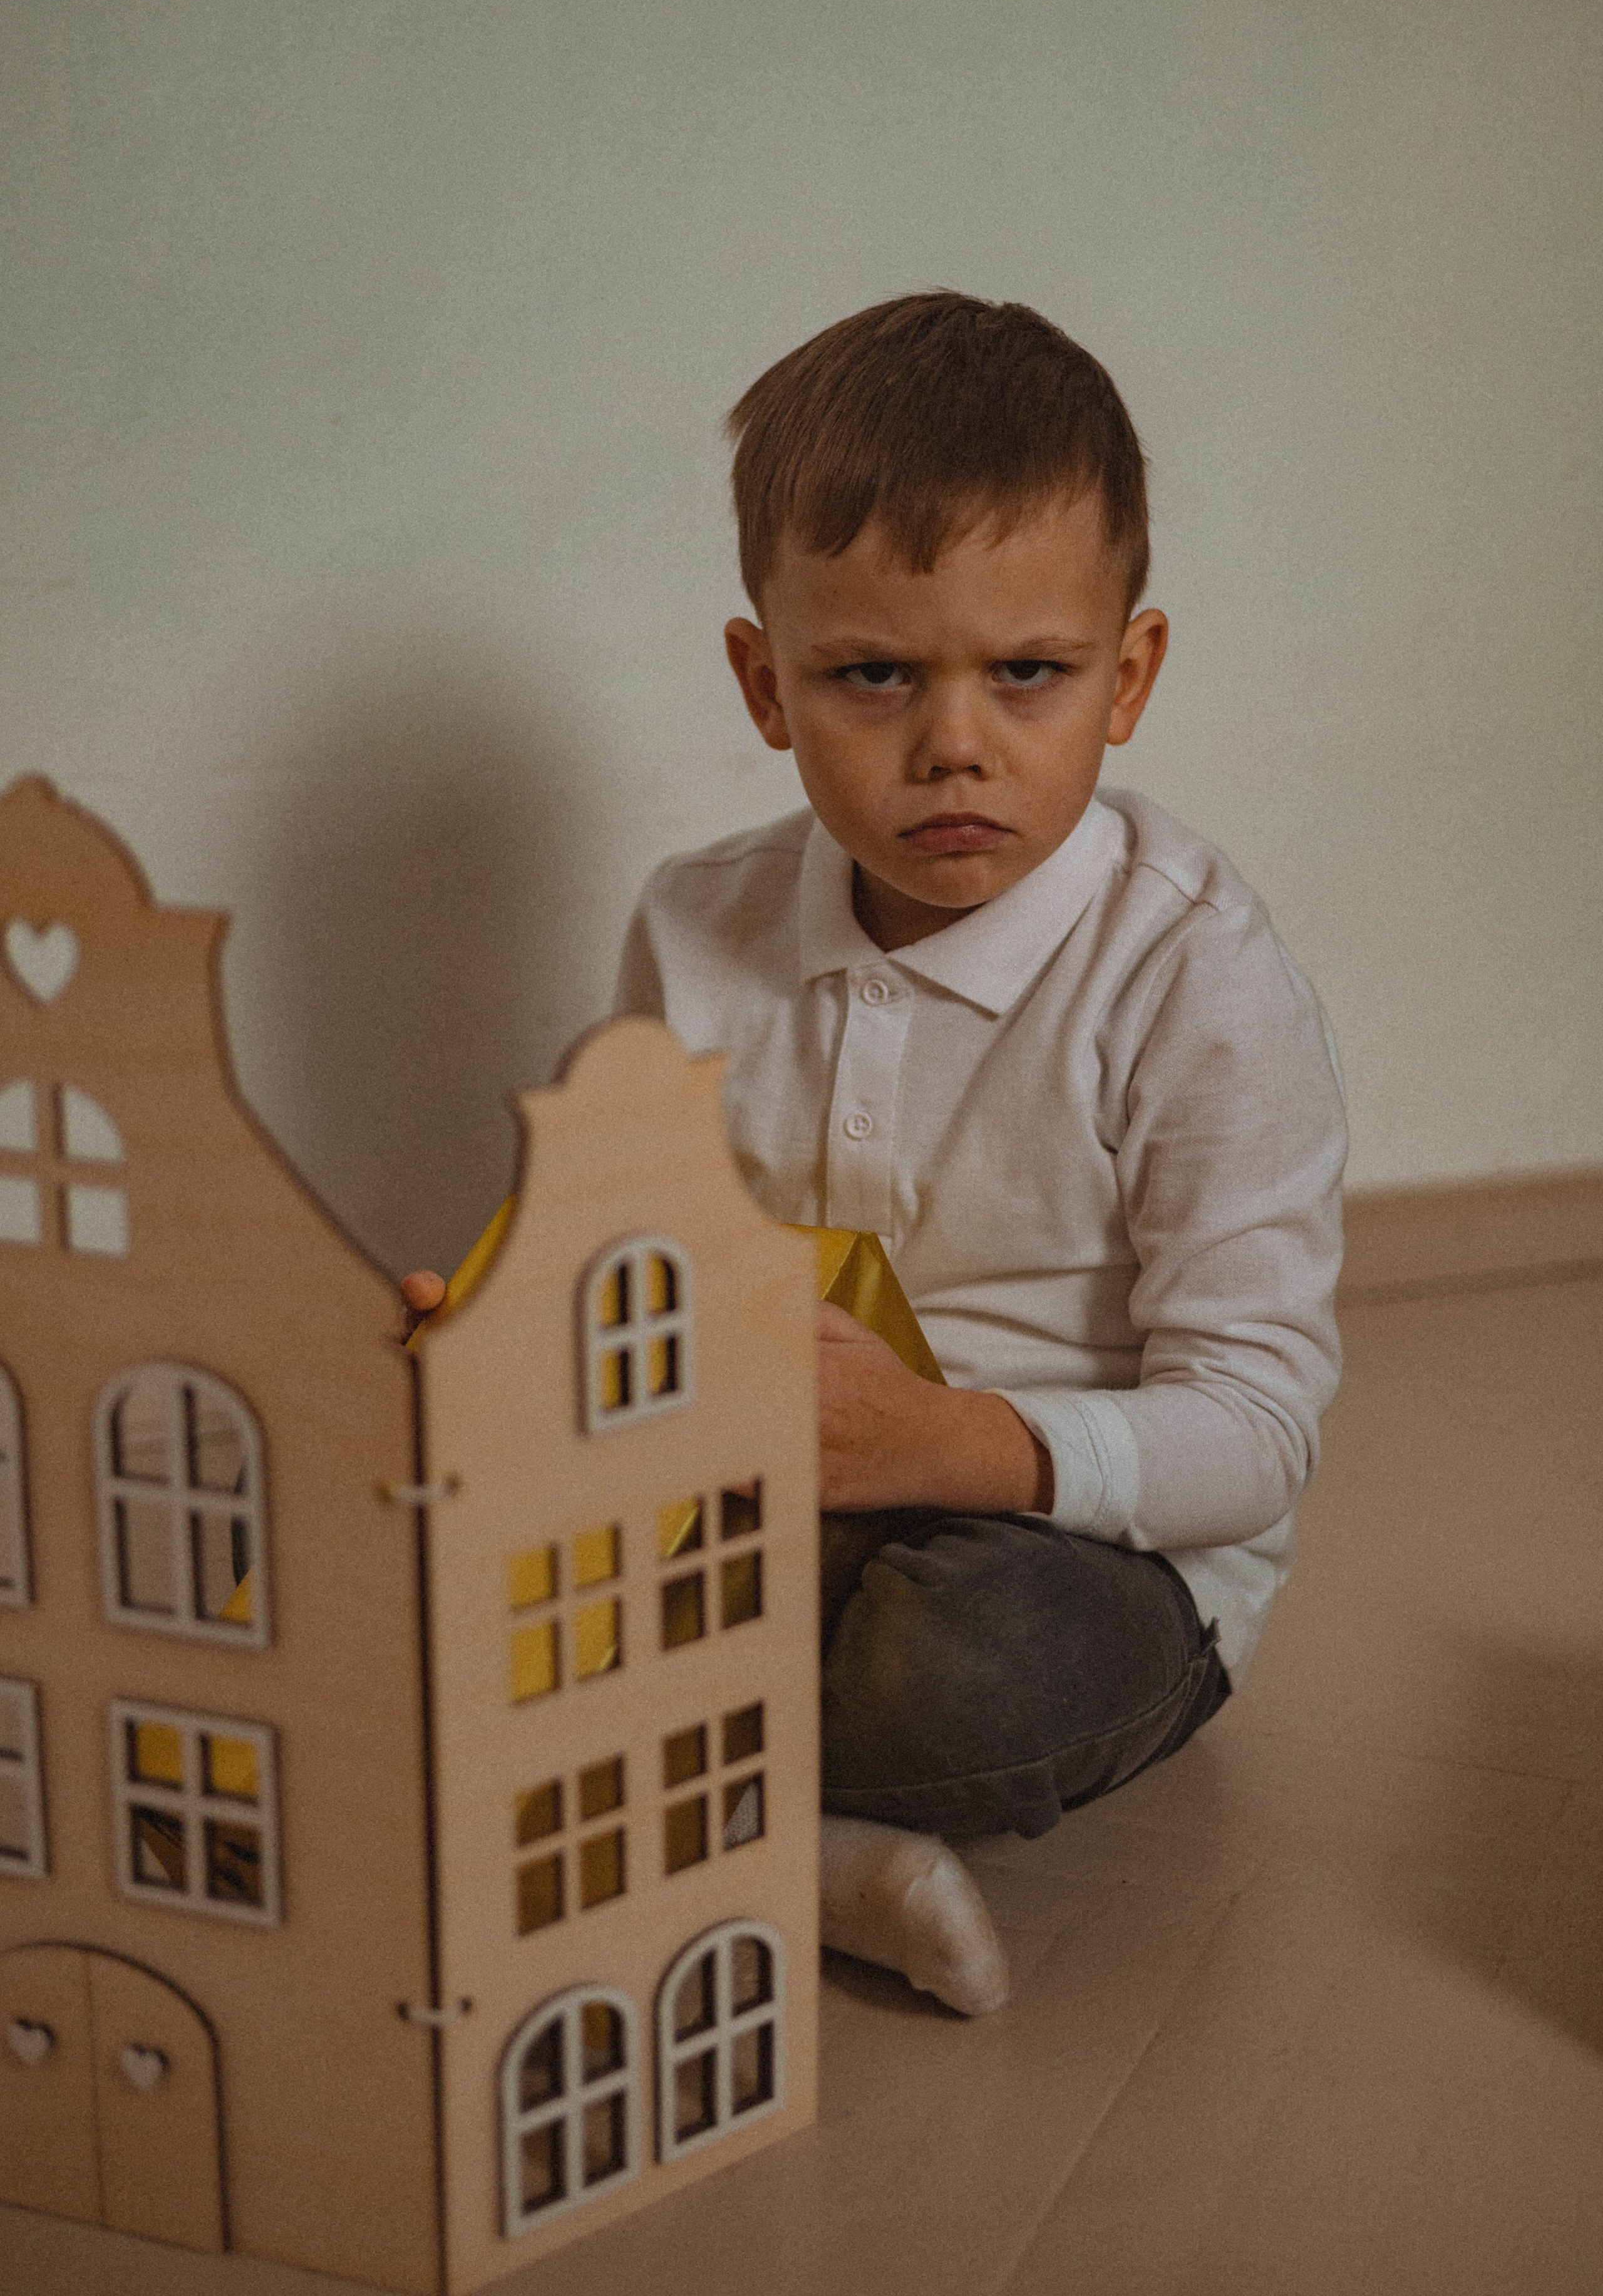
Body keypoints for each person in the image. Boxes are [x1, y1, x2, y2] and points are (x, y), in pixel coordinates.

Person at [410, 292, 1347, 2015]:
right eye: (872, 676)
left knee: (955, 1669)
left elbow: (1256, 1438)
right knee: (421, 1539)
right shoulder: (696, 926)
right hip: (751, 1494)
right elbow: (629, 1256)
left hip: (1073, 1552)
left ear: (1126, 678)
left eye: (1030, 674)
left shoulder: (1196, 972)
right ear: (767, 685)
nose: (955, 743)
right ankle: (759, 1843)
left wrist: (935, 1442)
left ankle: (599, 1812)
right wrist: (501, 1326)